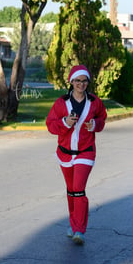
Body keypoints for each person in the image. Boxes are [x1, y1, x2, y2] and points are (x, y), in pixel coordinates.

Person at [46, 64, 107, 244]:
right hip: (65, 153)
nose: (81, 84)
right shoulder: (61, 103)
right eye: (77, 81)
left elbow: (102, 119)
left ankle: (79, 229)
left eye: (84, 81)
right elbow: (50, 125)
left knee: (78, 189)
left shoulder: (95, 102)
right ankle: (73, 224)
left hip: (85, 152)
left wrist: (94, 125)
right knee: (71, 190)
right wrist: (65, 122)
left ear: (88, 82)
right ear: (71, 82)